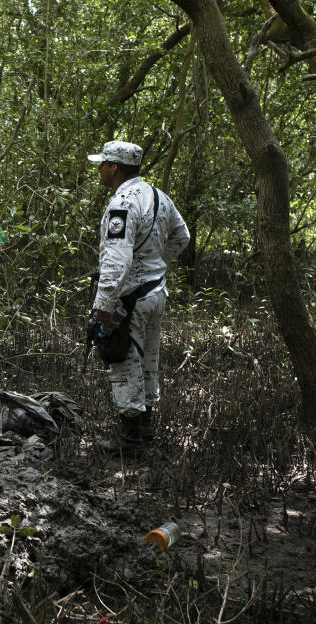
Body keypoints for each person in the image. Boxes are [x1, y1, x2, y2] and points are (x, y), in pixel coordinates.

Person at [86, 141, 190, 454]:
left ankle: (130, 440)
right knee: (149, 361)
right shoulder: (159, 196)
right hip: (156, 292)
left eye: (102, 164)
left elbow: (117, 262)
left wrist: (103, 309)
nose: (99, 169)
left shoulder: (123, 203)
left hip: (130, 299)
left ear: (114, 167)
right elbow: (182, 237)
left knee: (123, 360)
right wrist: (155, 265)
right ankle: (145, 430)